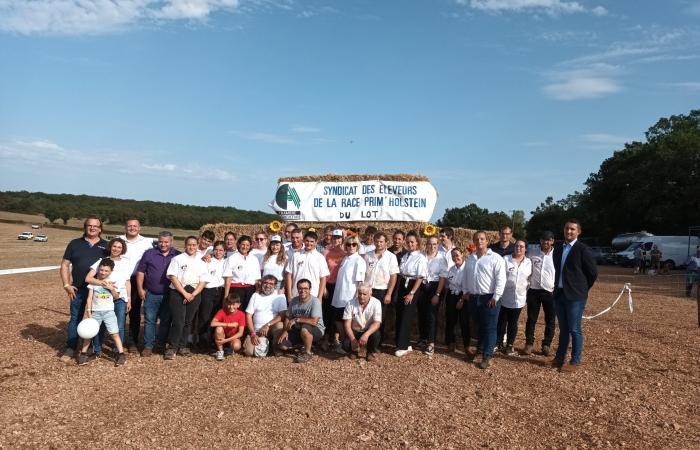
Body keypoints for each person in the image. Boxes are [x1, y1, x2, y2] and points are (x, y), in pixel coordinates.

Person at [59, 216, 108, 362]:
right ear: (85, 227)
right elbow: (64, 265)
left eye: (96, 226)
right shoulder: (74, 243)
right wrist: (67, 285)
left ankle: (94, 348)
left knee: (98, 319)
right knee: (75, 318)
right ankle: (71, 347)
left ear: (100, 229)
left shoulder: (107, 245)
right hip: (78, 289)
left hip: (99, 290)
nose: (92, 228)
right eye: (89, 225)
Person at [552, 220, 598, 372]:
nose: (569, 231)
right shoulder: (558, 249)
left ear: (578, 231)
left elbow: (592, 273)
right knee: (563, 329)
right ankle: (560, 358)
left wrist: (582, 289)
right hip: (559, 294)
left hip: (575, 297)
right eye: (567, 228)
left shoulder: (583, 249)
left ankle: (575, 360)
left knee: (574, 329)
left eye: (572, 229)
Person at [462, 230, 506, 369]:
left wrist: (496, 297)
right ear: (474, 242)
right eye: (477, 239)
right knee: (479, 325)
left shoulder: (495, 258)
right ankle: (480, 350)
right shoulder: (471, 258)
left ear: (487, 241)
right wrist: (465, 292)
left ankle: (487, 355)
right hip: (475, 297)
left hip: (490, 297)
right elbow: (465, 277)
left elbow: (501, 279)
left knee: (490, 327)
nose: (479, 241)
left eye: (482, 239)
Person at [84, 238, 132, 356]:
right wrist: (103, 283)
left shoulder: (126, 262)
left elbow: (127, 282)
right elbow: (88, 278)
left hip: (119, 298)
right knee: (99, 326)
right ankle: (97, 349)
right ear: (110, 247)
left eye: (119, 247)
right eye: (114, 246)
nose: (116, 249)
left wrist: (129, 298)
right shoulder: (102, 261)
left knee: (119, 325)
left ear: (123, 249)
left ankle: (117, 350)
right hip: (101, 298)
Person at [136, 231, 180, 356]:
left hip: (170, 294)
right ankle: (148, 346)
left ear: (171, 242)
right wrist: (140, 288)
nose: (163, 244)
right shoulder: (149, 253)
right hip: (152, 293)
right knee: (150, 320)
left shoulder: (177, 255)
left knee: (166, 320)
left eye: (166, 242)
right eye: (161, 241)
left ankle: (160, 344)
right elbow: (141, 272)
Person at [164, 236, 208, 360]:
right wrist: (184, 293)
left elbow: (203, 281)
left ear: (197, 245)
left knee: (188, 321)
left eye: (194, 245)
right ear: (185, 245)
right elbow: (173, 277)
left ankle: (182, 346)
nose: (192, 247)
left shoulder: (201, 262)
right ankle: (172, 347)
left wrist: (193, 295)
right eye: (189, 244)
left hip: (194, 292)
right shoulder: (177, 259)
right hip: (178, 291)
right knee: (178, 321)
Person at [77, 258, 126, 367]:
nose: (103, 272)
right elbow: (89, 298)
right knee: (89, 333)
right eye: (101, 270)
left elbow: (117, 297)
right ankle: (84, 354)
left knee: (114, 333)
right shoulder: (94, 282)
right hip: (96, 313)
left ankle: (121, 354)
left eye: (106, 271)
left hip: (109, 312)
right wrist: (89, 311)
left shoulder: (112, 282)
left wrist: (111, 289)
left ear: (111, 271)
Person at [117, 218, 156, 352]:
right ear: (125, 227)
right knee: (119, 311)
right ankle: (118, 341)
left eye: (135, 226)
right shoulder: (118, 240)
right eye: (129, 226)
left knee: (134, 312)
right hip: (119, 280)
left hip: (137, 280)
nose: (132, 228)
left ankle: (133, 341)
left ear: (139, 228)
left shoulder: (146, 242)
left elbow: (157, 255)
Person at [331, 236, 367, 354]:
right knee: (337, 320)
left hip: (349, 297)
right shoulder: (345, 258)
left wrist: (356, 299)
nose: (351, 247)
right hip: (339, 296)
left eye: (354, 244)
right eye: (348, 244)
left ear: (357, 246)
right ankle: (344, 342)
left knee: (346, 322)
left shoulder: (359, 261)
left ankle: (349, 344)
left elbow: (360, 282)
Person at [394, 231, 428, 357]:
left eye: (412, 242)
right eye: (408, 242)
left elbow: (420, 277)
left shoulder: (421, 258)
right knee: (400, 312)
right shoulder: (405, 256)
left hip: (413, 285)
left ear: (417, 243)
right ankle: (405, 343)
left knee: (407, 314)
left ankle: (402, 346)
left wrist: (412, 293)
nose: (409, 244)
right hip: (403, 283)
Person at [363, 231, 399, 348]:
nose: (378, 244)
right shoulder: (367, 255)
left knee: (379, 317)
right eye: (377, 241)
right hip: (368, 290)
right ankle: (364, 341)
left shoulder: (391, 257)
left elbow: (393, 276)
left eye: (381, 242)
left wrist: (389, 293)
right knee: (366, 316)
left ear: (386, 243)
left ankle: (376, 345)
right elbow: (362, 273)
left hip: (382, 290)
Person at [524, 231, 556, 356]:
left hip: (550, 292)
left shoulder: (556, 255)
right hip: (534, 291)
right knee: (531, 318)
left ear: (552, 241)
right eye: (543, 239)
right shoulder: (532, 253)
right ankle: (529, 343)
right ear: (540, 240)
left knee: (550, 319)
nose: (546, 242)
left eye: (548, 240)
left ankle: (546, 344)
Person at [496, 240, 532, 356]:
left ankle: (510, 345)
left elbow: (530, 279)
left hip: (519, 298)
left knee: (513, 322)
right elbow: (499, 276)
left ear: (525, 249)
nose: (519, 248)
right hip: (504, 296)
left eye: (521, 246)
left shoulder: (528, 262)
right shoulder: (505, 259)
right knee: (502, 321)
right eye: (517, 246)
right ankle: (498, 343)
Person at [277, 279, 325, 363]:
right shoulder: (293, 301)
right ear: (297, 289)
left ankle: (307, 353)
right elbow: (288, 317)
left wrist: (297, 319)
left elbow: (314, 321)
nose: (303, 291)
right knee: (283, 346)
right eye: (300, 288)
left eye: (306, 288)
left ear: (310, 289)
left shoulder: (315, 301)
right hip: (297, 329)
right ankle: (303, 345)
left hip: (315, 329)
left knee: (305, 328)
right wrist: (285, 330)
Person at [243, 275, 287, 357]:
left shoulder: (280, 296)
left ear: (275, 285)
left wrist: (267, 325)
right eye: (265, 283)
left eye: (271, 283)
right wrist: (253, 334)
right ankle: (265, 343)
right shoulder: (255, 296)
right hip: (257, 331)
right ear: (261, 283)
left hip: (272, 328)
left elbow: (282, 315)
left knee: (279, 326)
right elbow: (248, 315)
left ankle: (276, 347)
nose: (268, 285)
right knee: (249, 352)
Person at [419, 236, 449, 355]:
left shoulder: (442, 258)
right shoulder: (421, 256)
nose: (432, 246)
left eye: (435, 244)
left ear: (438, 245)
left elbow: (442, 277)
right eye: (430, 244)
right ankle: (423, 338)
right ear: (426, 244)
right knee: (422, 313)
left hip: (435, 287)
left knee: (432, 315)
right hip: (422, 286)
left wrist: (437, 294)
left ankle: (431, 343)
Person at [284, 231, 330, 302]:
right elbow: (289, 275)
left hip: (314, 295)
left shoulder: (320, 257)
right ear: (303, 241)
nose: (309, 243)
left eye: (312, 241)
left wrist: (320, 296)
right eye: (307, 241)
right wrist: (289, 294)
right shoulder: (295, 255)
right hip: (296, 294)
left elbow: (323, 278)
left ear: (316, 242)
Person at [197, 240, 226, 349]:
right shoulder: (208, 260)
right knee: (205, 316)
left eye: (221, 250)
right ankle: (203, 342)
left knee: (217, 317)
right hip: (208, 290)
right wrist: (204, 257)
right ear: (213, 250)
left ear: (224, 252)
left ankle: (215, 341)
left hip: (221, 291)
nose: (218, 252)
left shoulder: (227, 262)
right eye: (216, 250)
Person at [342, 283, 382, 361]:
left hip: (368, 330)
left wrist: (366, 334)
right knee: (345, 345)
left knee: (376, 335)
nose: (361, 296)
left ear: (370, 294)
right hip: (355, 330)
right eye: (360, 293)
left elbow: (377, 323)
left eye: (364, 294)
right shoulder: (350, 303)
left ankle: (370, 352)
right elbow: (347, 324)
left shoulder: (376, 303)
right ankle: (354, 351)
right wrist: (353, 339)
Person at [441, 247, 470, 353]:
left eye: (457, 255)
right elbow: (448, 285)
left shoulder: (468, 268)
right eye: (453, 256)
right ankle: (450, 343)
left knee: (464, 321)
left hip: (464, 296)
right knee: (450, 320)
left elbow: (469, 286)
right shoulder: (451, 269)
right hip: (452, 296)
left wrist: (461, 300)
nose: (455, 257)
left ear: (462, 254)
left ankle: (466, 345)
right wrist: (445, 299)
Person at [222, 235, 261, 311]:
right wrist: (226, 296)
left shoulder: (254, 259)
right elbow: (228, 278)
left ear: (250, 246)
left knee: (248, 312)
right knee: (236, 312)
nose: (245, 247)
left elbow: (257, 278)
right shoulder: (232, 258)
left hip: (250, 289)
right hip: (236, 290)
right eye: (243, 244)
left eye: (247, 245)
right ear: (239, 244)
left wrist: (257, 292)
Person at [322, 229, 346, 348]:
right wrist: (324, 288)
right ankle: (326, 338)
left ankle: (336, 338)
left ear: (342, 239)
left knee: (338, 313)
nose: (336, 240)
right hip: (329, 285)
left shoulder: (346, 252)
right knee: (327, 312)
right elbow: (322, 270)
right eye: (334, 237)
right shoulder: (326, 252)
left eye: (339, 237)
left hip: (341, 286)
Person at [211, 294, 245, 360]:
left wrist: (225, 341)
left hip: (233, 337)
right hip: (222, 335)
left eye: (233, 304)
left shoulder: (241, 314)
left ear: (238, 305)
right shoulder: (222, 311)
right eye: (229, 304)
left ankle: (230, 349)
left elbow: (240, 333)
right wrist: (228, 324)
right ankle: (220, 352)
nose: (231, 307)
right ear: (226, 304)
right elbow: (212, 323)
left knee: (237, 346)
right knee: (219, 329)